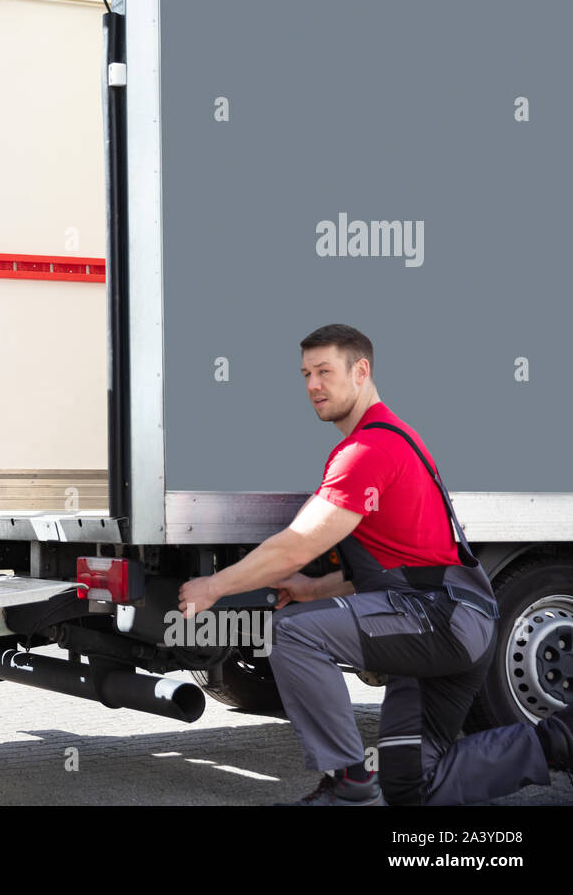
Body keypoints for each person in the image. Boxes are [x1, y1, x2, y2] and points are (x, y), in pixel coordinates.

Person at [178, 323, 571, 804]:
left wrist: (213, 587)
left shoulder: (369, 449)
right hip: (446, 621)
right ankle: (558, 742)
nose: (312, 385)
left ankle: (348, 783)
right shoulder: (385, 440)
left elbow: (296, 544)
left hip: (440, 620)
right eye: (305, 374)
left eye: (324, 371)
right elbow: (397, 563)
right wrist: (311, 590)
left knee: (294, 633)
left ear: (360, 371)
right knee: (412, 785)